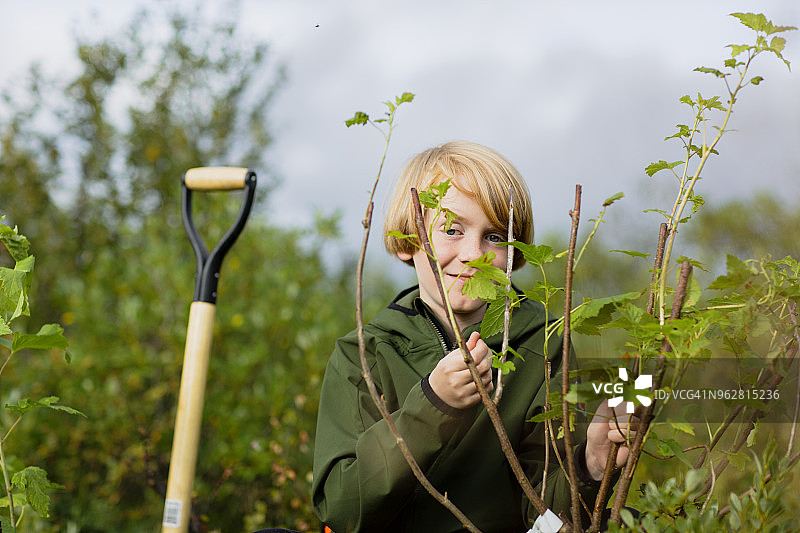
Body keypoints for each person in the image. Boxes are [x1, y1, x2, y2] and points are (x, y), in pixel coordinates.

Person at [311, 141, 631, 532]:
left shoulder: (544, 342)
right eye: (452, 230)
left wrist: (591, 464)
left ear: (515, 254)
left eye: (495, 237)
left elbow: (550, 512)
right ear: (409, 242)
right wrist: (432, 406)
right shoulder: (366, 354)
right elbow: (343, 509)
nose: (473, 254)